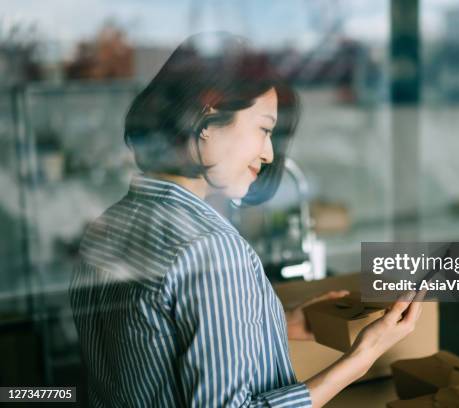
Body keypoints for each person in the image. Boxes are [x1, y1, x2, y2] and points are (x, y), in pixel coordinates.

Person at [69, 32, 425, 408]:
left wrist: (273, 323)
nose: (269, 153)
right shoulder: (211, 250)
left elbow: (144, 353)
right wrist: (361, 359)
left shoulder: (106, 228)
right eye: (264, 128)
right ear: (208, 118)